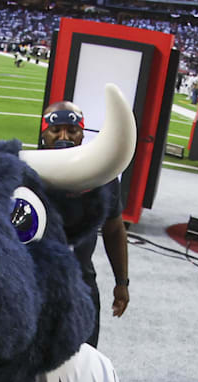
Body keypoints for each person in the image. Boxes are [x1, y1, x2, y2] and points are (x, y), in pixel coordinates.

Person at [39, 100, 130, 347]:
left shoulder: (102, 175)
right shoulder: (24, 171)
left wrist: (121, 282)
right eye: (56, 130)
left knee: (83, 364)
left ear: (82, 134)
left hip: (80, 283)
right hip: (34, 282)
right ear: (44, 133)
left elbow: (114, 230)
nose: (63, 136)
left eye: (72, 129)